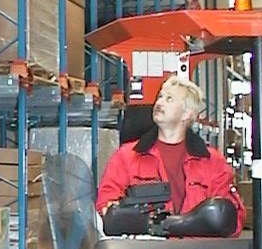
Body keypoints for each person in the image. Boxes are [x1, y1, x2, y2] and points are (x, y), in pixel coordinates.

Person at [96, 74, 245, 237]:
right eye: (159, 97)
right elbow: (106, 206)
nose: (159, 103)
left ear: (187, 114)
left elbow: (232, 219)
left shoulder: (213, 163)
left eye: (169, 99)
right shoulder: (126, 157)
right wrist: (142, 222)